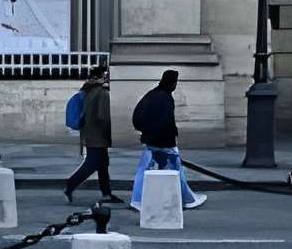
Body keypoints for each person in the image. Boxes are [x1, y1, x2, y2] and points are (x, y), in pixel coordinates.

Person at [128, 68, 205, 210]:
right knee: (176, 169)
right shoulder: (166, 98)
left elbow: (137, 117)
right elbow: (167, 121)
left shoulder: (151, 95)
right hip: (164, 142)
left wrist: (146, 133)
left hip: (150, 141)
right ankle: (187, 199)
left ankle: (137, 199)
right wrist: (170, 139)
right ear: (172, 83)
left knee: (144, 170)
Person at [63, 66, 118, 204]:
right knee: (92, 164)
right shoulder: (102, 93)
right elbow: (103, 117)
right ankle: (70, 185)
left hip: (89, 133)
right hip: (98, 135)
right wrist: (108, 134)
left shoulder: (88, 90)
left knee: (102, 164)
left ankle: (106, 193)